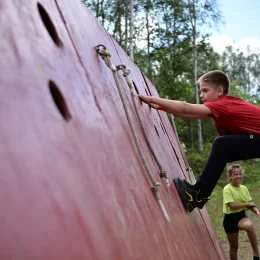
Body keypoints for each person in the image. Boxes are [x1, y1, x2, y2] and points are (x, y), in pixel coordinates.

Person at [138, 70, 260, 212]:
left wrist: (152, 99)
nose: (201, 95)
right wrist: (161, 107)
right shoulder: (222, 108)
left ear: (219, 90)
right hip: (255, 138)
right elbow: (188, 113)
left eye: (205, 90)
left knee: (222, 144)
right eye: (201, 91)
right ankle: (198, 195)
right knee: (223, 149)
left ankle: (198, 195)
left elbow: (185, 107)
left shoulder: (223, 104)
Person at [223, 164, 260, 260]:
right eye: (235, 174)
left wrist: (256, 211)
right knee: (234, 247)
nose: (239, 176)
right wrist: (246, 205)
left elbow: (250, 203)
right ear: (230, 176)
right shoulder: (227, 188)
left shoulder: (244, 188)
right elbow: (232, 205)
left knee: (249, 225)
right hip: (230, 219)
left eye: (240, 174)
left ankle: (256, 255)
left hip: (241, 216)